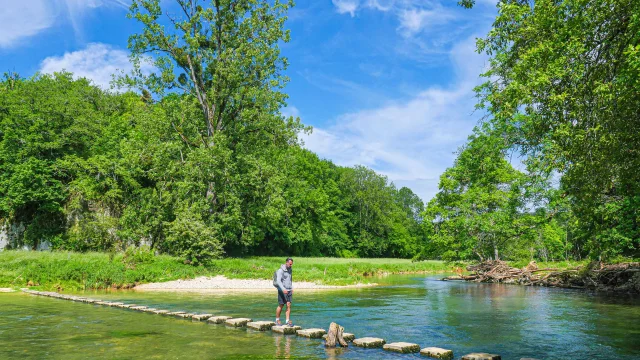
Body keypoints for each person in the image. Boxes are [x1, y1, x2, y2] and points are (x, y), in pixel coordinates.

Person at [275, 257, 294, 326]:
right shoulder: (280, 270)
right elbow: (278, 281)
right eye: (289, 264)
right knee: (281, 305)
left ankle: (287, 321)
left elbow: (290, 279)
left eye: (291, 264)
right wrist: (283, 289)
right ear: (286, 262)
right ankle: (277, 320)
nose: (290, 265)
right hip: (282, 290)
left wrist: (292, 288)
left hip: (289, 290)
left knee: (288, 305)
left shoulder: (290, 270)